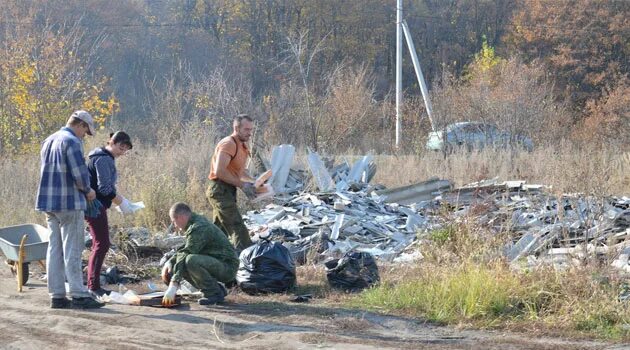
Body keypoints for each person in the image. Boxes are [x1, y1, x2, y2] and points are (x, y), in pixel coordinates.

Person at [35, 110, 104, 309]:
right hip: (70, 203)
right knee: (73, 248)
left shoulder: (49, 140)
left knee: (54, 249)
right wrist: (89, 191)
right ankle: (78, 293)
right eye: (86, 131)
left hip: (49, 203)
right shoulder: (72, 142)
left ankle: (56, 295)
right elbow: (80, 175)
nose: (85, 135)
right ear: (80, 125)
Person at [85, 131, 134, 297]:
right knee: (102, 244)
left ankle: (93, 284)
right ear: (111, 142)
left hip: (95, 204)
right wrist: (122, 202)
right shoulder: (104, 158)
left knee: (99, 244)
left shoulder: (100, 156)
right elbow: (104, 188)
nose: (122, 152)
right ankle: (93, 286)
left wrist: (119, 201)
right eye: (121, 147)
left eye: (125, 149)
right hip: (94, 205)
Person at [161, 202, 239, 306]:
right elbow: (185, 250)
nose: (175, 225)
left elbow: (187, 253)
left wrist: (173, 285)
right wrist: (170, 262)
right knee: (179, 261)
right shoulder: (194, 223)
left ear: (180, 217)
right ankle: (215, 289)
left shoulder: (199, 227)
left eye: (174, 221)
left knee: (190, 260)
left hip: (227, 266)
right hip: (217, 262)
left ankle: (213, 294)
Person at [206, 114, 256, 251]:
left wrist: (255, 182)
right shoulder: (228, 143)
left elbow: (239, 172)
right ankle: (247, 257)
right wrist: (242, 185)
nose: (250, 133)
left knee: (219, 228)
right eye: (246, 129)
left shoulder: (242, 146)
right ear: (236, 128)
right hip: (219, 190)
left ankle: (208, 253)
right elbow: (219, 171)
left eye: (251, 130)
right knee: (236, 225)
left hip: (228, 190)